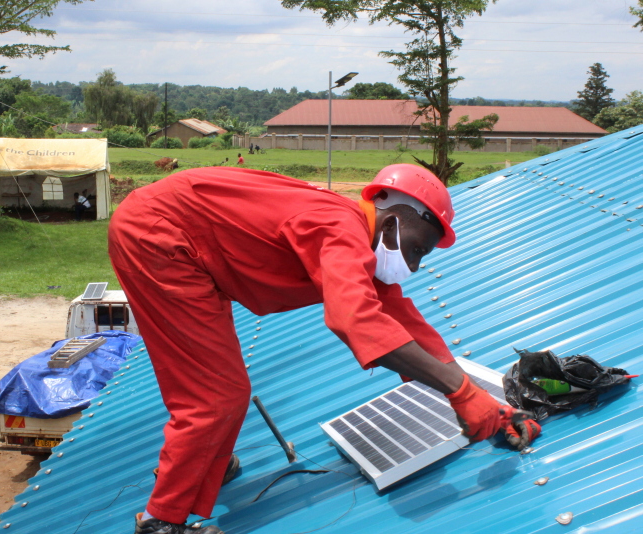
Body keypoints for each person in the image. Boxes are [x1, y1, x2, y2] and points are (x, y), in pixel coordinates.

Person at [108, 164, 541, 534]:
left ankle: (202, 466)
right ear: (395, 217)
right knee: (215, 395)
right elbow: (355, 319)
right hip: (161, 237)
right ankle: (161, 519)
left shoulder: (360, 238)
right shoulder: (340, 228)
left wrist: (491, 404)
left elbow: (407, 325)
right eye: (417, 249)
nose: (413, 265)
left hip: (193, 243)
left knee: (223, 390)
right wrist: (459, 394)